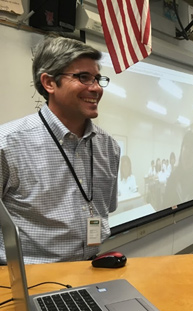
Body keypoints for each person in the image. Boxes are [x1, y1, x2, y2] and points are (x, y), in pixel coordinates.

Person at [0, 36, 120, 265]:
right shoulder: (7, 144)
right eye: (83, 78)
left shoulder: (108, 147)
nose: (95, 88)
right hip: (32, 279)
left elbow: (106, 208)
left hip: (92, 268)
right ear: (49, 83)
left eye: (97, 78)